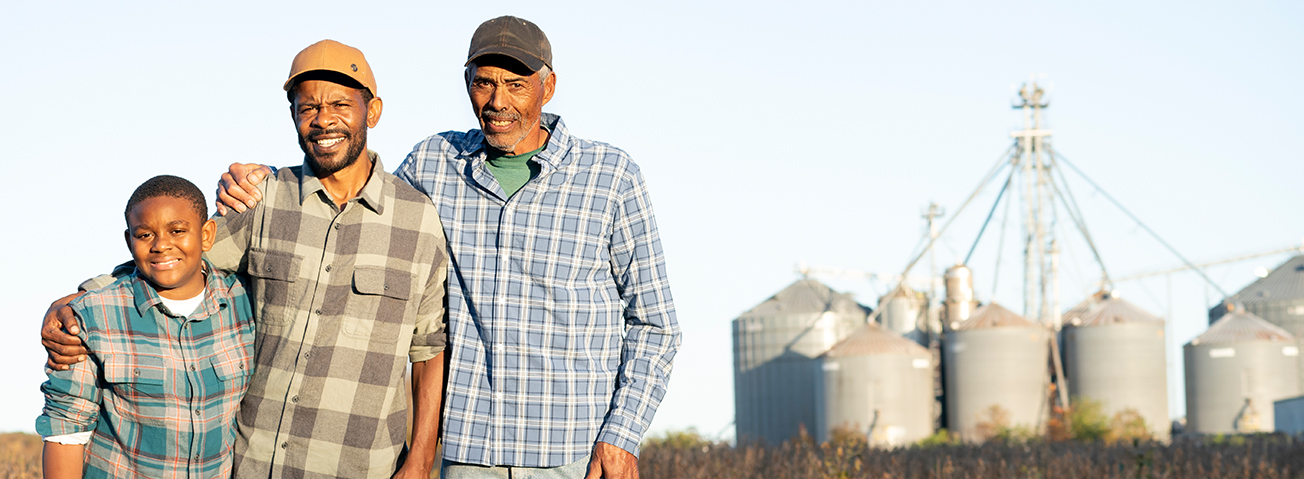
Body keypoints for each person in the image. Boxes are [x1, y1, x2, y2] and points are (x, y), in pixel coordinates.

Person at [217, 16, 681, 478]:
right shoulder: (433, 163)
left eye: (516, 85)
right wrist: (256, 181)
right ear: (466, 84)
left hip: (573, 453)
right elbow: (351, 204)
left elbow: (656, 324)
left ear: (549, 86)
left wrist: (622, 434)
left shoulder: (612, 177)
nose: (498, 101)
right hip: (466, 455)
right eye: (483, 84)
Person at [42, 40, 450, 479]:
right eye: (307, 107)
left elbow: (428, 350)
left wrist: (421, 458)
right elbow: (176, 256)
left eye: (339, 104)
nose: (323, 119)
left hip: (363, 466)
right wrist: (80, 300)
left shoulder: (419, 219)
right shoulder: (262, 200)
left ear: (372, 112)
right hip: (254, 464)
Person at [38, 175, 255, 478]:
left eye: (177, 231)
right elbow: (66, 429)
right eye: (144, 235)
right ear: (129, 241)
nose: (161, 245)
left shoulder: (245, 303)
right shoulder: (91, 317)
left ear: (206, 235)